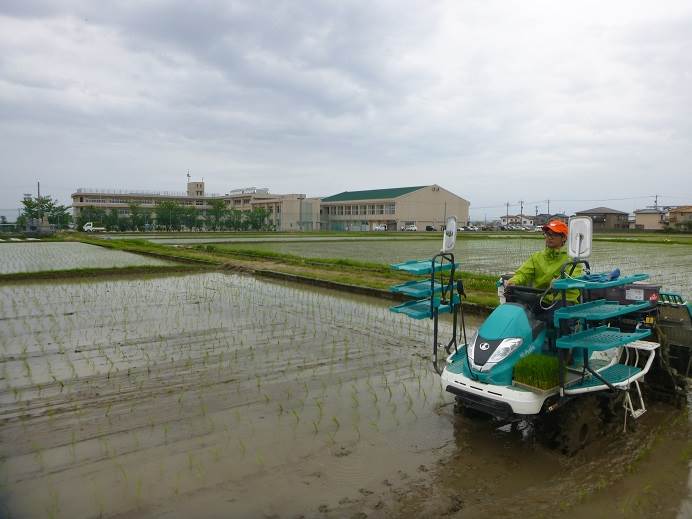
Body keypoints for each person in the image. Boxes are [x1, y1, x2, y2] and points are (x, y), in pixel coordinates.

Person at [506, 219, 582, 304]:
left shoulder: (572, 259)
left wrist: (559, 282)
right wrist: (514, 281)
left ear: (564, 237)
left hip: (563, 300)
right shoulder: (536, 257)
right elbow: (523, 273)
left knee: (553, 313)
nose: (549, 237)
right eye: (547, 234)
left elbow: (574, 276)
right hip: (541, 298)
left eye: (554, 234)